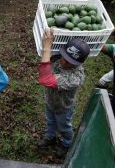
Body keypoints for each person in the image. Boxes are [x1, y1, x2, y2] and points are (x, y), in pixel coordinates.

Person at [37, 29, 90, 158]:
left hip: (64, 107)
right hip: (50, 101)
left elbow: (45, 79)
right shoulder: (57, 58)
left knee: (64, 127)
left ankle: (67, 143)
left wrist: (47, 47)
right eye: (64, 57)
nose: (63, 62)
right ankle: (50, 137)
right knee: (50, 122)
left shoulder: (76, 77)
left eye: (69, 61)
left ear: (78, 63)